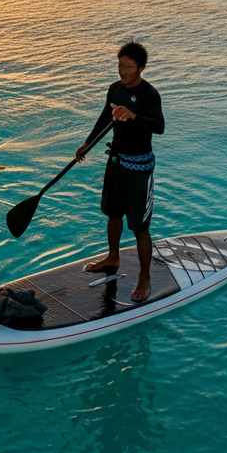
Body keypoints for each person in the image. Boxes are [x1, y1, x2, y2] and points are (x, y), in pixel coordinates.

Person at [76, 41, 164, 302]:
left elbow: (159, 126)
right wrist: (88, 143)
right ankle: (113, 256)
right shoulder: (114, 89)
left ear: (141, 67)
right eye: (120, 66)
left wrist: (134, 115)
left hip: (139, 167)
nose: (123, 72)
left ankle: (144, 276)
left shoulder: (150, 94)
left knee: (139, 226)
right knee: (113, 214)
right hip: (115, 162)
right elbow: (105, 118)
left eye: (129, 67)